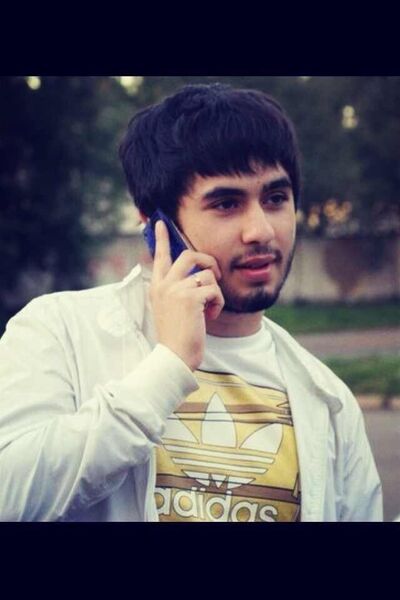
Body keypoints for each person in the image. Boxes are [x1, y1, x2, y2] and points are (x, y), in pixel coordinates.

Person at [0, 83, 382, 522]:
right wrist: (169, 367)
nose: (261, 230)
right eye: (226, 203)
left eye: (276, 198)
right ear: (155, 222)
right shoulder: (60, 330)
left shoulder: (328, 398)